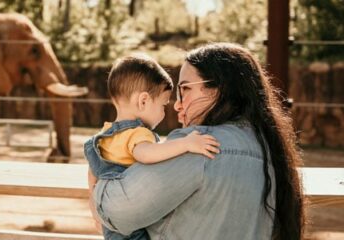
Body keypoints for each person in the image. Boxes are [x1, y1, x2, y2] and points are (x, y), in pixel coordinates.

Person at [89, 43, 305, 240]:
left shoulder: (199, 145)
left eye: (185, 89)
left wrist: (98, 173)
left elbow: (115, 209)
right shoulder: (268, 147)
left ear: (216, 90)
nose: (176, 105)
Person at [84, 53, 220, 240]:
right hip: (132, 227)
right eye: (163, 105)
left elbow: (93, 172)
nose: (165, 111)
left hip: (111, 224)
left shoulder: (105, 135)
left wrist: (94, 207)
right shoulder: (139, 133)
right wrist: (186, 143)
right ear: (143, 101)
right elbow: (146, 155)